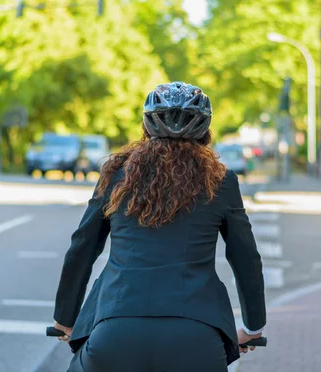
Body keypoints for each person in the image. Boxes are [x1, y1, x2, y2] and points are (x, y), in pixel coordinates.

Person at [52, 82, 266, 372]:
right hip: (198, 338)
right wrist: (252, 328)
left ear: (145, 126)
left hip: (116, 332)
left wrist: (64, 319)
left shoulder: (116, 175)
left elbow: (82, 249)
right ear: (205, 132)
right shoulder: (221, 182)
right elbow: (246, 259)